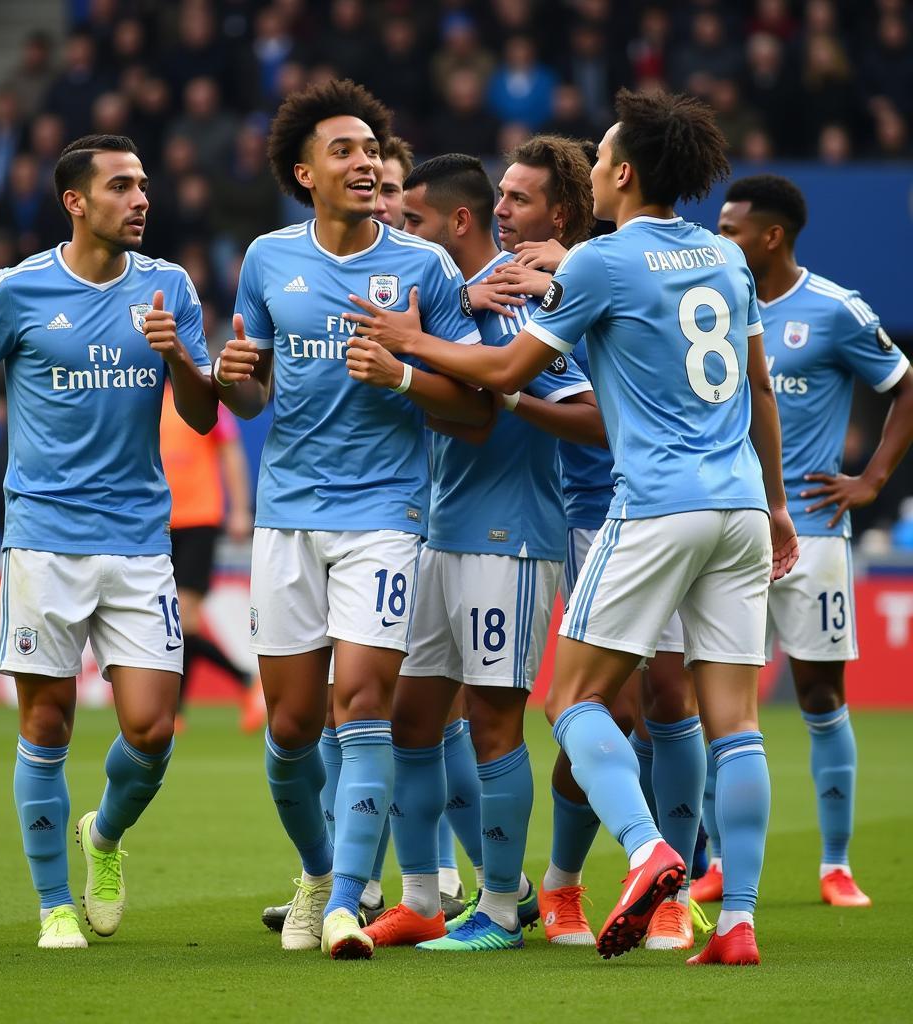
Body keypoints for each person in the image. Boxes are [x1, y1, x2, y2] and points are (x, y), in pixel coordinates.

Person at [345, 88, 799, 967]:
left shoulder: (604, 262)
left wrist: (414, 341)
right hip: (742, 503)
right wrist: (777, 504)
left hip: (657, 505)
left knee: (572, 701)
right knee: (734, 722)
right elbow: (761, 391)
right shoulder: (724, 255)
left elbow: (511, 366)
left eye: (600, 159)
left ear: (624, 173)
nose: (590, 168)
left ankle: (644, 849)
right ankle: (737, 922)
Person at [0, 134, 216, 950]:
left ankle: (104, 837)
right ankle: (53, 905)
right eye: (121, 186)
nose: (141, 198)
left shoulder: (169, 288)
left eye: (145, 183)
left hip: (140, 540)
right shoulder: (18, 290)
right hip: (43, 539)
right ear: (76, 202)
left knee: (152, 730)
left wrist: (180, 355)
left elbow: (204, 412)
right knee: (46, 722)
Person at [210, 79, 491, 960]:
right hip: (288, 517)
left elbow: (478, 409)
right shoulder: (266, 261)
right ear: (306, 173)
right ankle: (316, 870)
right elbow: (252, 398)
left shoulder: (424, 268)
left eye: (373, 149)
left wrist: (404, 372)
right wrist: (232, 374)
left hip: (387, 515)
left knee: (360, 703)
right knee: (292, 726)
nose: (367, 162)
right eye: (346, 151)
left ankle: (342, 905)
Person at [361, 148, 604, 953]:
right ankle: (424, 895)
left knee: (495, 722)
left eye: (416, 217)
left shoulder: (520, 303)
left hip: (509, 539)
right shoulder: (443, 299)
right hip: (436, 532)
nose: (398, 224)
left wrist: (494, 387)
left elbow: (591, 413)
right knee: (412, 719)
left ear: (455, 222)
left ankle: (502, 906)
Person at [483, 139, 706, 952]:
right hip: (589, 511)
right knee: (603, 706)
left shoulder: (600, 267)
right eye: (499, 198)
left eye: (520, 199)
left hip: (657, 504)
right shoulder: (510, 287)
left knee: (669, 701)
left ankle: (670, 883)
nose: (504, 210)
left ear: (563, 214)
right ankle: (566, 885)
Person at [712, 173, 913, 908]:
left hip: (816, 527)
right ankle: (712, 862)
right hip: (731, 526)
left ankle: (835, 864)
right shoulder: (712, 304)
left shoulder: (833, 310)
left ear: (772, 236)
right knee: (717, 696)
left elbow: (905, 383)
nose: (719, 237)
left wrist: (871, 479)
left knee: (821, 691)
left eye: (732, 228)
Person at [159, 383, 254, 726]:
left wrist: (240, 508)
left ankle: (175, 710)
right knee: (173, 623)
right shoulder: (146, 392)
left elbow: (230, 451)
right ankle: (245, 683)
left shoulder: (202, 396)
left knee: (184, 618)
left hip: (199, 519)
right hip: (158, 523)